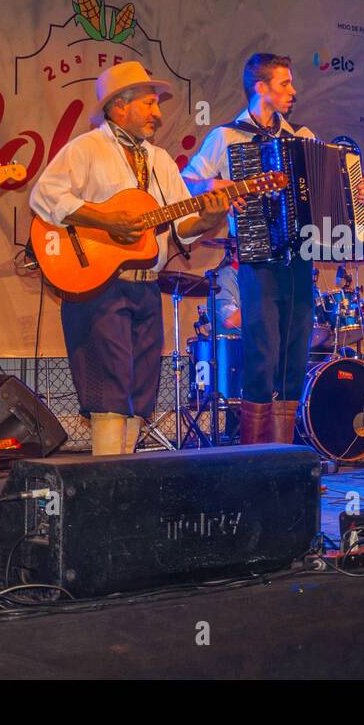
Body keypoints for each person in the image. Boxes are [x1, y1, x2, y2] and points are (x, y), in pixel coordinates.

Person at [29, 61, 230, 455]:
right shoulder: (86, 149)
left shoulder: (160, 161)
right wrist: (105, 219)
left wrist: (211, 216)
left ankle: (126, 478)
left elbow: (181, 225)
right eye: (150, 103)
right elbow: (45, 195)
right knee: (110, 389)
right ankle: (108, 484)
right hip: (99, 287)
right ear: (119, 106)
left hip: (145, 290)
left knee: (140, 389)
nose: (158, 113)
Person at [182, 53, 364, 444]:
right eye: (285, 84)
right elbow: (187, 182)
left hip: (300, 257)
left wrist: (358, 193)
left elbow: (334, 193)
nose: (293, 91)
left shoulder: (301, 138)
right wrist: (217, 188)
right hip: (256, 255)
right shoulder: (227, 137)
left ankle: (284, 455)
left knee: (294, 355)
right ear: (260, 87)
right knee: (261, 353)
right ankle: (253, 459)